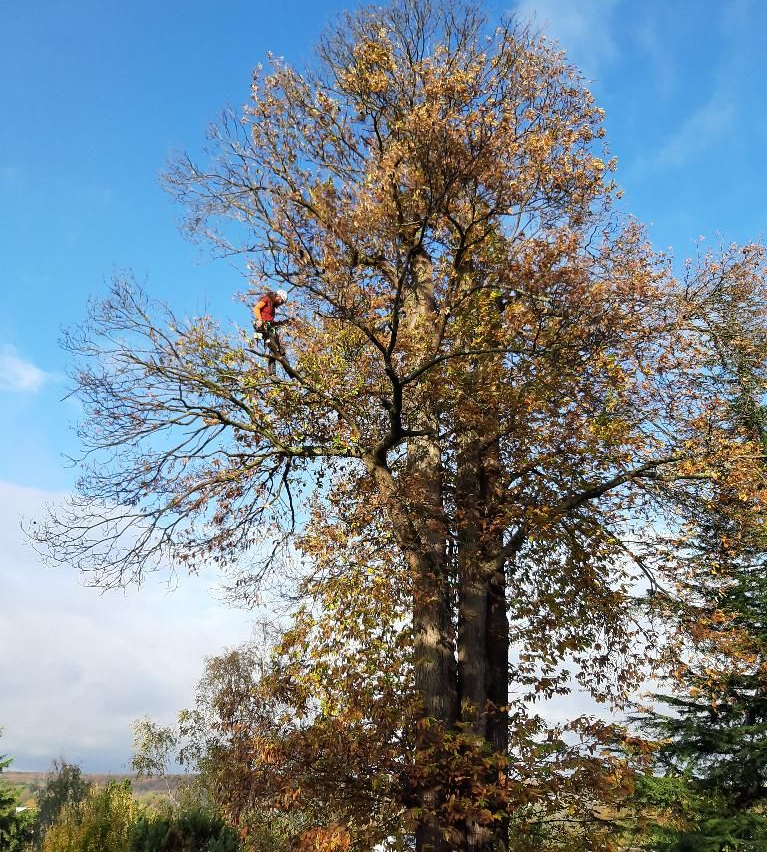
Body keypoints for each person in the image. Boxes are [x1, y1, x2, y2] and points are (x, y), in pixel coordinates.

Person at [253, 289, 289, 375]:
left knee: (280, 350)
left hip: (270, 328)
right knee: (274, 348)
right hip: (263, 328)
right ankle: (272, 373)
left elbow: (271, 322)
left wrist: (283, 322)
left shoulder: (272, 308)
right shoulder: (267, 299)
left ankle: (290, 370)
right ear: (278, 296)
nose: (280, 304)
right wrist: (259, 320)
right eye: (281, 301)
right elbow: (256, 308)